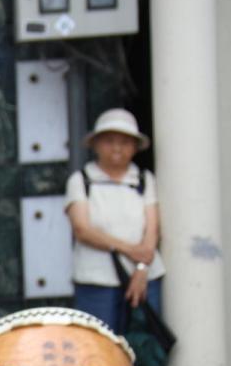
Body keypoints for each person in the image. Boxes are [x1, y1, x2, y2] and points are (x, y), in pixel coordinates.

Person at [64, 107, 164, 351]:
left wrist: (141, 267)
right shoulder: (81, 180)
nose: (117, 148)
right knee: (98, 347)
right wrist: (129, 250)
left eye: (125, 142)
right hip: (96, 278)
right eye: (109, 142)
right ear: (96, 145)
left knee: (144, 347)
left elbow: (152, 228)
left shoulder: (143, 179)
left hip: (144, 277)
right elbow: (82, 229)